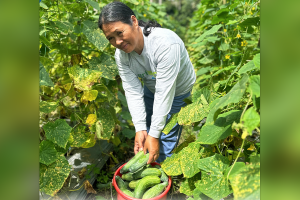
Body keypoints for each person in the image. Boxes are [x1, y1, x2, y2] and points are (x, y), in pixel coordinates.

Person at [98, 2, 196, 164]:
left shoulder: (166, 44)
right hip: (152, 86)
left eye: (119, 33)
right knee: (150, 125)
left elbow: (165, 93)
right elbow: (132, 90)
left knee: (166, 133)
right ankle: (148, 161)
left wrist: (155, 135)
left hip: (178, 90)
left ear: (134, 21)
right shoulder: (122, 56)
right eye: (111, 38)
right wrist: (140, 129)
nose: (117, 42)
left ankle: (163, 170)